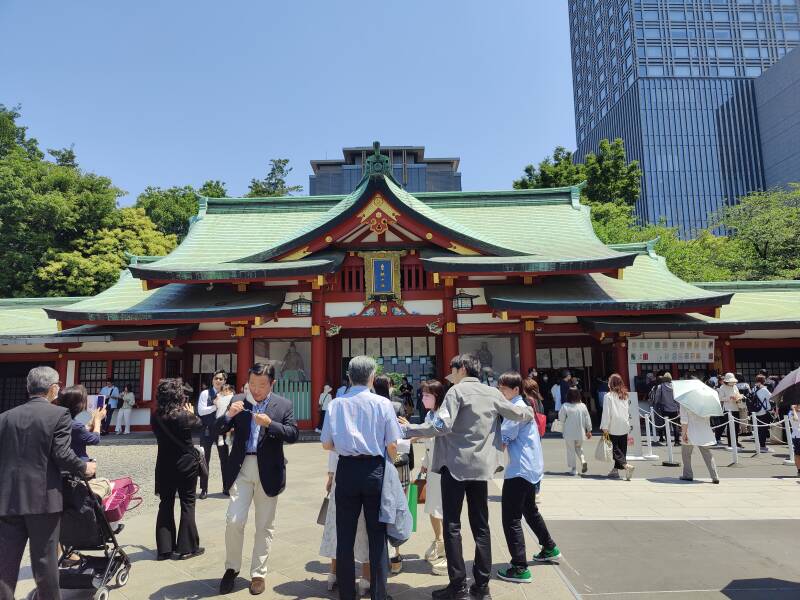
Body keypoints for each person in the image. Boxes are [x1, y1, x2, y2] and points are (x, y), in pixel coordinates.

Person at [402, 354, 534, 600]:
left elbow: (441, 426)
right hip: (481, 469)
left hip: (454, 466)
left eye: (453, 369)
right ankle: (482, 587)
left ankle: (458, 586)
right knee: (481, 526)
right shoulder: (492, 393)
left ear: (462, 368)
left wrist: (408, 429)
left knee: (452, 526)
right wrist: (529, 410)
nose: (451, 375)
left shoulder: (456, 392)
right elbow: (517, 413)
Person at [0, 366, 96, 600]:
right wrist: (84, 468)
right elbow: (62, 454)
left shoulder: (5, 417)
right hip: (43, 498)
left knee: (5, 562)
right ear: (53, 388)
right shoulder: (59, 415)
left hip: (8, 497)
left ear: (28, 387)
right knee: (44, 561)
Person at [321, 355, 402, 600]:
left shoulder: (336, 404)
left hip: (346, 469)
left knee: (345, 535)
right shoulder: (382, 403)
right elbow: (393, 443)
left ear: (349, 377)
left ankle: (347, 593)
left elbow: (326, 444)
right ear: (372, 377)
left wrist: (346, 446)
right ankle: (379, 593)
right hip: (374, 470)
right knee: (377, 534)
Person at [218, 363, 299, 596]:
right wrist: (228, 415)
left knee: (264, 524)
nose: (255, 389)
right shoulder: (239, 400)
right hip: (242, 468)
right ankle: (232, 568)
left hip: (269, 470)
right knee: (234, 520)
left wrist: (270, 424)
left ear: (272, 384)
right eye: (252, 384)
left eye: (262, 385)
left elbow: (293, 434)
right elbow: (217, 429)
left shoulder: (283, 404)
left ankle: (258, 573)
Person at [496, 372, 560, 584]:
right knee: (529, 510)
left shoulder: (515, 409)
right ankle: (549, 546)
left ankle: (519, 567)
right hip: (531, 467)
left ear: (516, 390)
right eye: (499, 388)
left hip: (519, 469)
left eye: (504, 389)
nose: (500, 392)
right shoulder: (521, 406)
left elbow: (502, 440)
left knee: (511, 518)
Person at [151, 378, 204, 561]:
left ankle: (164, 549)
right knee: (187, 502)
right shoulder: (184, 415)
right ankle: (186, 548)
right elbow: (199, 425)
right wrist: (192, 413)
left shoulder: (155, 415)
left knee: (165, 503)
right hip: (185, 464)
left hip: (164, 463)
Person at [319, 450, 371, 596]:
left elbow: (331, 447)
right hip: (365, 470)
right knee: (364, 526)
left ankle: (333, 573)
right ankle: (366, 577)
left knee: (338, 527)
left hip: (341, 472)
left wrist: (331, 476)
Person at [418, 380, 447, 576]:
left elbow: (429, 434)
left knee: (443, 510)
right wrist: (424, 462)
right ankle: (439, 540)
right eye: (423, 395)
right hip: (432, 468)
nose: (423, 398)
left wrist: (411, 431)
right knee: (432, 508)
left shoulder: (443, 415)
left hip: (443, 469)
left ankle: (448, 550)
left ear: (437, 396)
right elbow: (427, 441)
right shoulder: (429, 415)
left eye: (427, 395)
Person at [197, 369, 229, 499]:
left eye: (221, 379)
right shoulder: (205, 393)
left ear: (225, 381)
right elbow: (201, 411)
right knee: (204, 460)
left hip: (221, 432)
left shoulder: (227, 394)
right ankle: (204, 489)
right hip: (207, 431)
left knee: (224, 459)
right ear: (212, 380)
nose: (218, 381)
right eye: (216, 378)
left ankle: (226, 487)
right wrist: (216, 406)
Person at [600, 374, 635, 481]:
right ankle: (615, 471)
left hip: (613, 425)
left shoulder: (608, 396)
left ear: (611, 383)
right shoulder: (624, 395)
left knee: (613, 449)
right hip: (624, 425)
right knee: (622, 448)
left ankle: (626, 466)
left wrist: (604, 427)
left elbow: (606, 413)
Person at [58, 384, 105, 461]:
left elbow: (82, 430)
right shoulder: (75, 424)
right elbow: (95, 439)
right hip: (76, 461)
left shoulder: (61, 418)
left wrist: (92, 421)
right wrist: (98, 420)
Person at [679, 402, 720, 484]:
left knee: (686, 454)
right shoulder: (705, 401)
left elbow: (684, 420)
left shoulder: (684, 401)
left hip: (690, 430)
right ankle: (715, 476)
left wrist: (684, 433)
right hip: (703, 430)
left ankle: (687, 475)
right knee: (707, 454)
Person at [558, 387, 592, 476]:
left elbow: (561, 418)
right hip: (580, 432)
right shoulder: (583, 406)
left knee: (571, 450)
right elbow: (587, 418)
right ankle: (583, 460)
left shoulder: (565, 406)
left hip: (569, 433)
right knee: (579, 448)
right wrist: (589, 430)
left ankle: (573, 469)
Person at [653, 373, 680, 446]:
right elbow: (678, 398)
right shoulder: (675, 386)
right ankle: (677, 441)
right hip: (674, 409)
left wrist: (657, 404)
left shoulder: (660, 387)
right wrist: (678, 407)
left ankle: (668, 441)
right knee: (675, 426)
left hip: (665, 409)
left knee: (666, 426)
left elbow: (657, 398)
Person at [717, 373, 744, 449]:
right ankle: (730, 443)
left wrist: (739, 397)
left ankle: (736, 441)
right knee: (730, 427)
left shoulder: (735, 386)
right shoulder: (722, 387)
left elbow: (738, 394)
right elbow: (720, 398)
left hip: (736, 407)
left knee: (736, 426)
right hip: (728, 409)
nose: (732, 383)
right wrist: (729, 397)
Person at [752, 375, 774, 453]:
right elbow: (771, 397)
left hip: (756, 411)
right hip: (763, 411)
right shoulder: (764, 389)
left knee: (759, 429)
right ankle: (762, 446)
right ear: (763, 381)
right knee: (763, 430)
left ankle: (760, 445)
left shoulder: (754, 388)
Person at [788, 403, 800, 477]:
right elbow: (796, 419)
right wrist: (793, 410)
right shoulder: (791, 413)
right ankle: (799, 471)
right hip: (797, 436)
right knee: (798, 454)